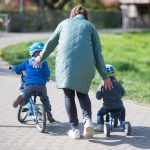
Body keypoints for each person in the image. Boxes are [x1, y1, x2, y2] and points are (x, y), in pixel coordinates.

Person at [33, 5, 112, 139]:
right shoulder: (90, 26)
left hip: (65, 64)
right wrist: (105, 77)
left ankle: (75, 129)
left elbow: (51, 43)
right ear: (85, 15)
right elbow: (98, 54)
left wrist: (40, 58)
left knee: (69, 96)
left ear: (72, 14)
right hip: (86, 65)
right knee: (82, 94)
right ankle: (87, 121)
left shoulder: (63, 24)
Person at [11, 42, 55, 123]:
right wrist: (46, 77)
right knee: (45, 99)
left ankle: (20, 99)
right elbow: (47, 73)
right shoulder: (44, 62)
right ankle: (49, 114)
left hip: (30, 85)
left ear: (32, 52)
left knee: (25, 99)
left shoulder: (28, 62)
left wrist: (12, 67)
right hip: (41, 85)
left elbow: (18, 67)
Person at [94, 64, 126, 131]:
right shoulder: (118, 83)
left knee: (99, 113)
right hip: (119, 106)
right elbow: (123, 93)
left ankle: (100, 126)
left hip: (107, 107)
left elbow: (98, 97)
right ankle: (123, 122)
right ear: (114, 74)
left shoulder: (102, 85)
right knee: (123, 110)